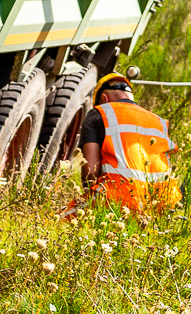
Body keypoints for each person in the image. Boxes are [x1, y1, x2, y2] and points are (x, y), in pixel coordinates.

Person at [76, 74, 180, 215]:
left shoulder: (99, 112)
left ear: (103, 99)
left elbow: (91, 172)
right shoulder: (160, 122)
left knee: (59, 220)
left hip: (117, 198)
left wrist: (89, 200)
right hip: (163, 205)